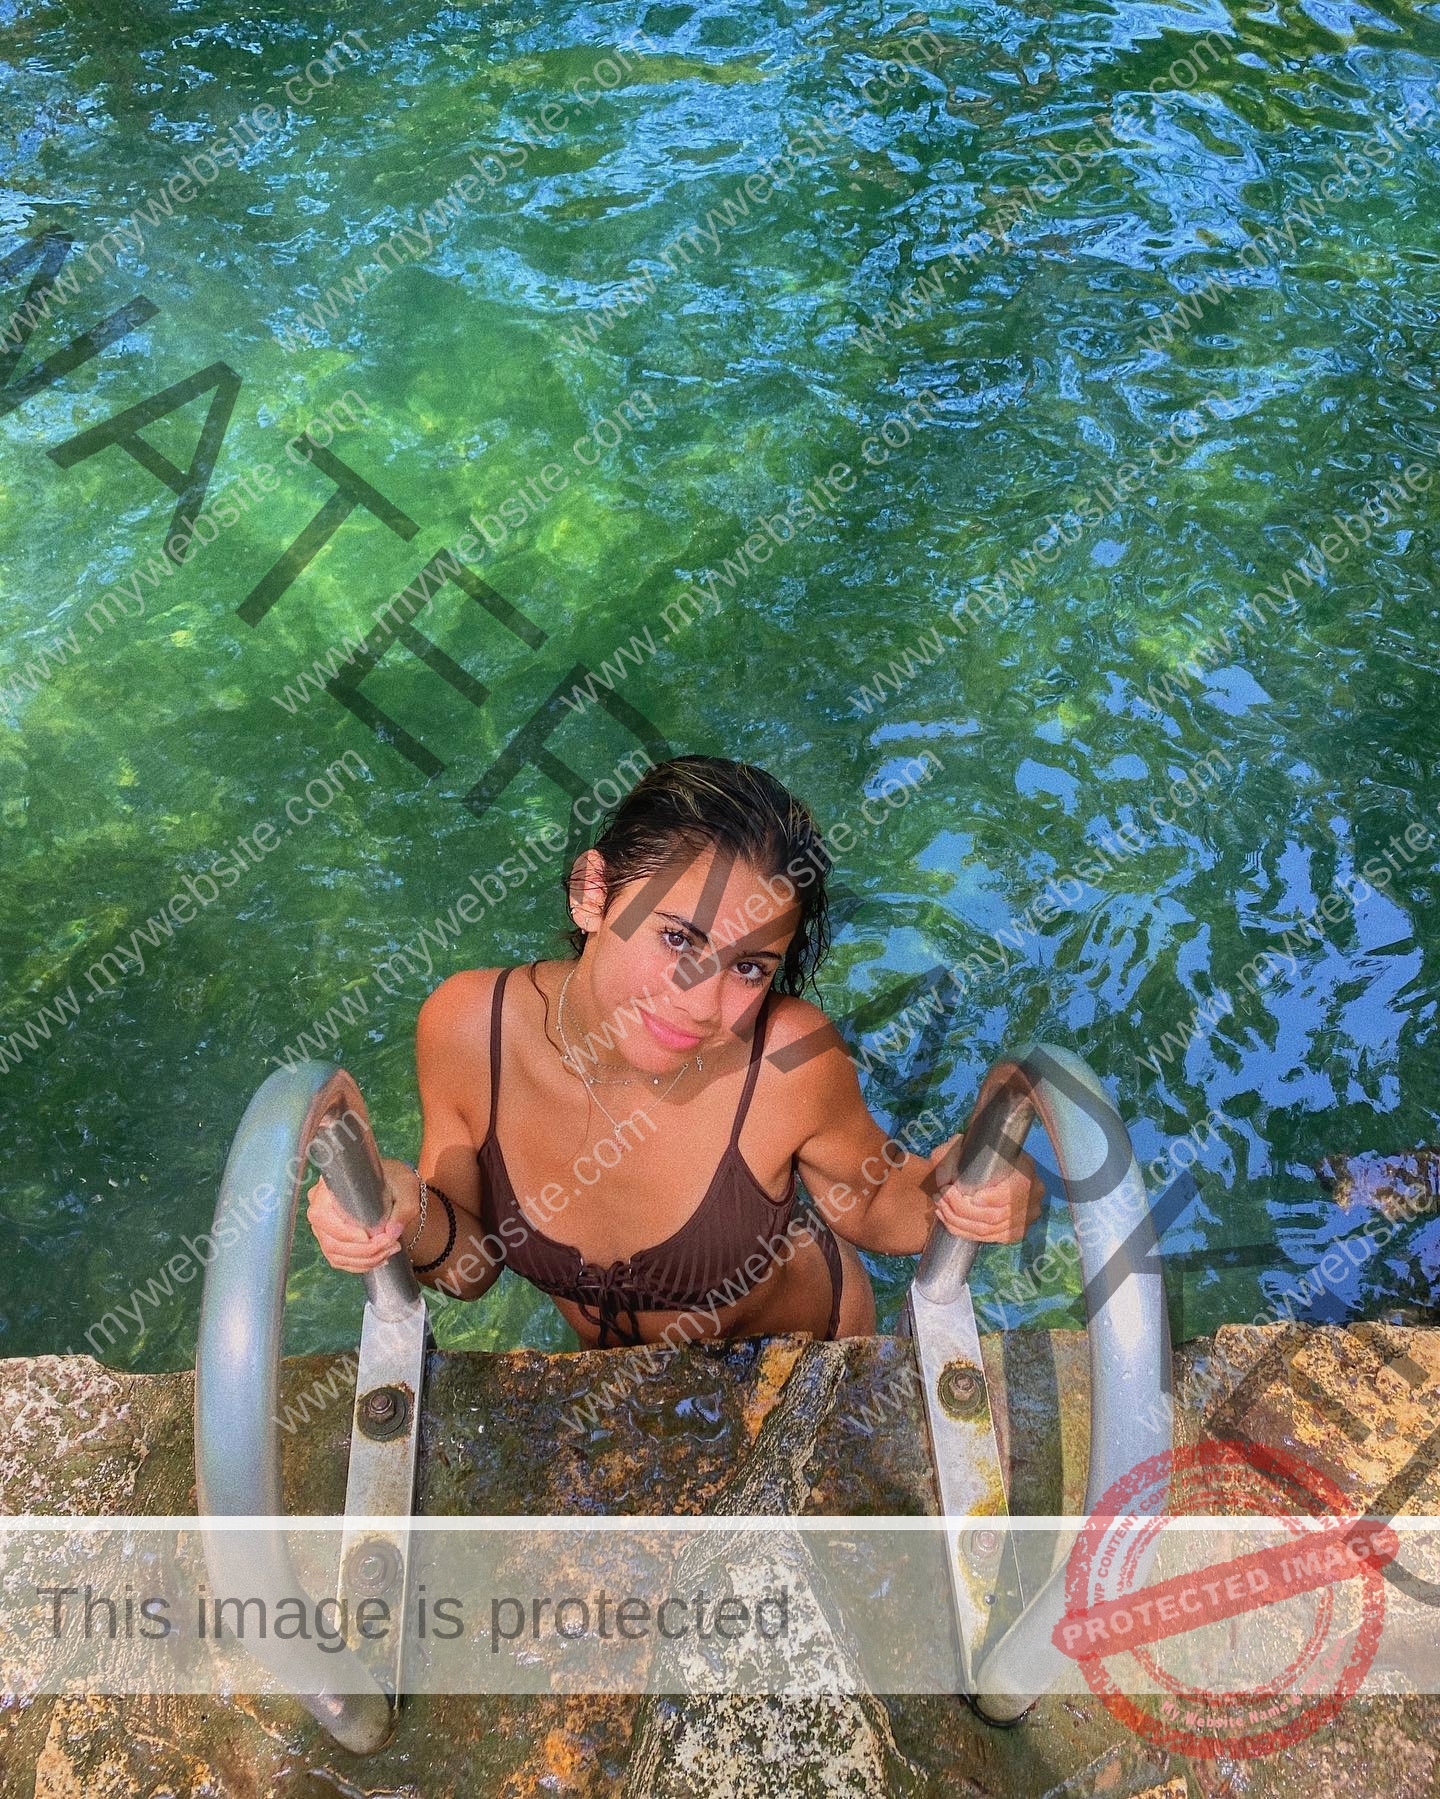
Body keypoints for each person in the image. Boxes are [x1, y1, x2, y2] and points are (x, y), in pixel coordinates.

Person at [307, 756, 1041, 1348]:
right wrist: (394, 1202)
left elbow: (877, 1201)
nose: (700, 1002)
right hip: (622, 1381)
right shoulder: (470, 1028)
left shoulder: (784, 1058)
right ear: (592, 893)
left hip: (804, 1353)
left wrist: (978, 1187)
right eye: (678, 938)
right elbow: (469, 1268)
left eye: (749, 967)